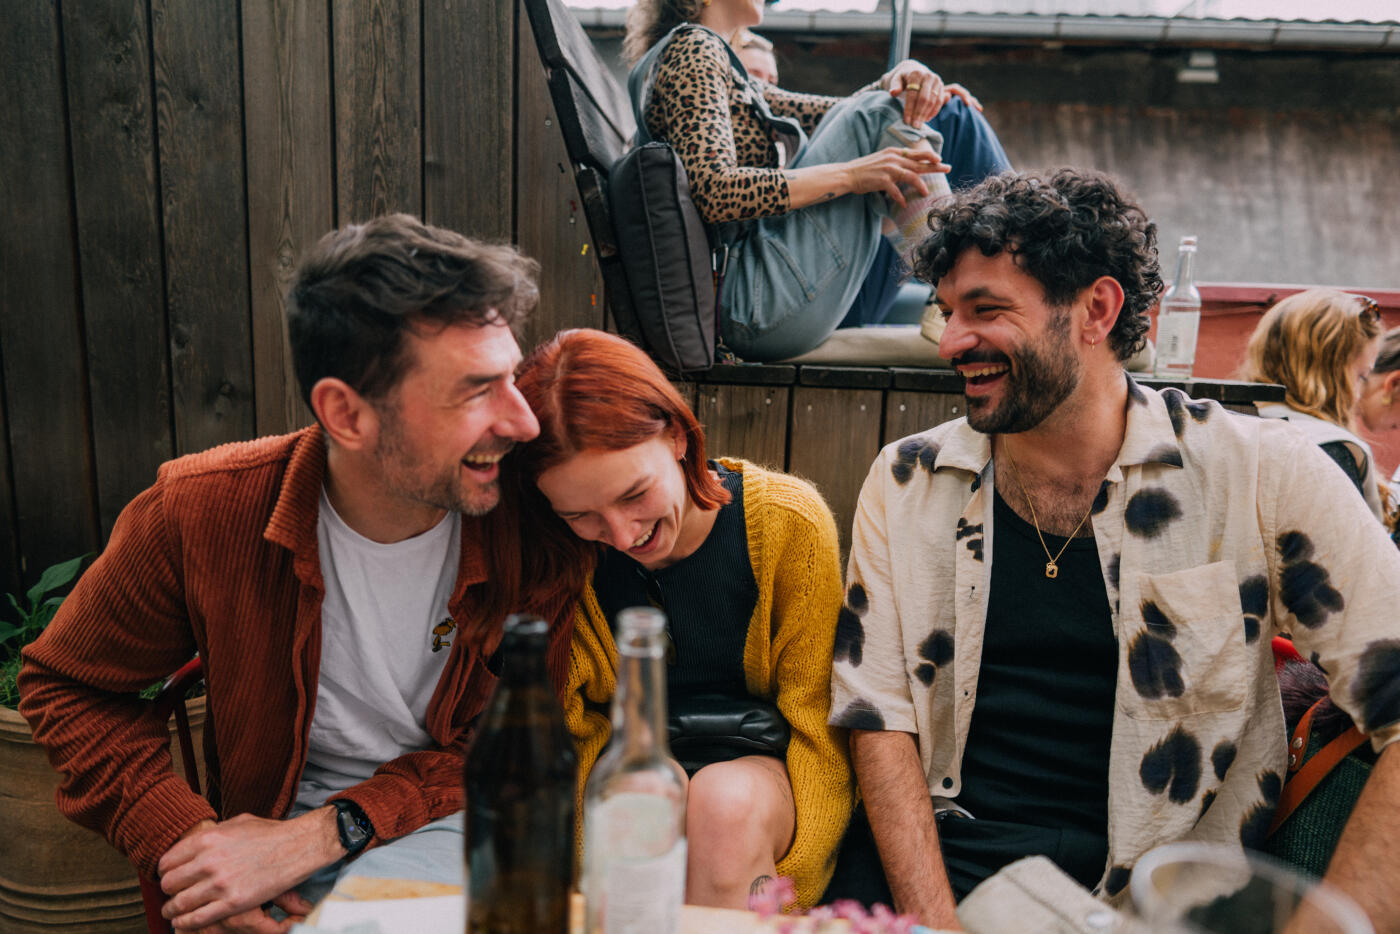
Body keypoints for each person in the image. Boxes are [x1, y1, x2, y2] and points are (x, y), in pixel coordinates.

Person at [829, 169, 1400, 930]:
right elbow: (880, 717)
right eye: (947, 312)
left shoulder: (1261, 470)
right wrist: (936, 924)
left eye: (986, 310)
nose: (954, 340)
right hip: (935, 877)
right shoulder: (908, 478)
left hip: (1161, 899)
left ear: (1097, 309)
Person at [18, 215, 570, 933]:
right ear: (346, 414)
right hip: (264, 835)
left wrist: (330, 832)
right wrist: (187, 844)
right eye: (476, 390)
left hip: (455, 819)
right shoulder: (205, 510)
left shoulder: (535, 526)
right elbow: (67, 685)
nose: (523, 422)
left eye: (512, 376)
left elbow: (518, 749)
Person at [511, 328, 851, 910]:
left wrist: (786, 892)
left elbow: (820, 724)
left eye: (633, 493)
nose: (620, 535)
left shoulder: (789, 524)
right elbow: (559, 729)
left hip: (760, 768)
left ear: (675, 434)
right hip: (622, 763)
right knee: (643, 796)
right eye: (582, 515)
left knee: (724, 803)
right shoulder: (553, 553)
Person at [624, 0, 1010, 361]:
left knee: (924, 111)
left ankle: (981, 285)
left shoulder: (718, 64)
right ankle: (976, 287)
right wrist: (852, 175)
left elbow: (838, 112)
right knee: (885, 114)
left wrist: (906, 85)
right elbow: (716, 192)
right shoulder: (694, 49)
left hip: (759, 294)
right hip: (751, 303)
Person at [1241, 288, 1385, 520]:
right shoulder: (1332, 449)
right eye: (1360, 376)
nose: (1358, 397)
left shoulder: (1230, 422)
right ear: (1330, 372)